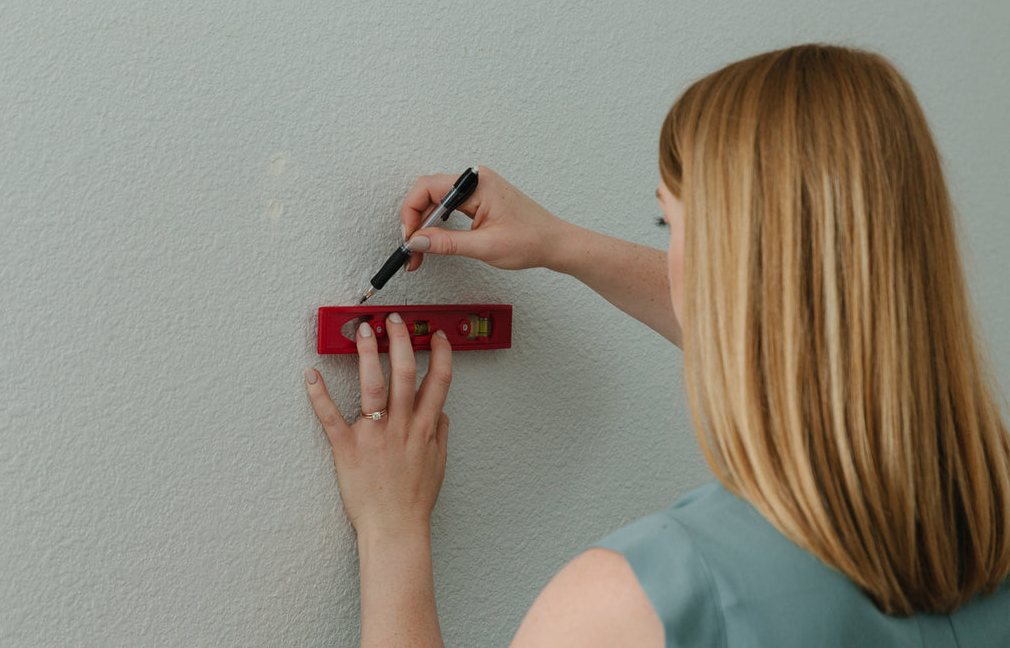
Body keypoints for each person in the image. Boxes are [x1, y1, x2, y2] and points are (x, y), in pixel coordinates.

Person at [303, 44, 1010, 646]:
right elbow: (805, 331)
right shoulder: (986, 514)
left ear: (725, 267)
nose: (668, 257)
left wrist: (394, 529)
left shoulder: (640, 596)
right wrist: (558, 244)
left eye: (669, 225)